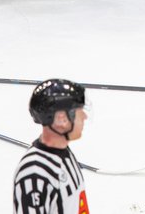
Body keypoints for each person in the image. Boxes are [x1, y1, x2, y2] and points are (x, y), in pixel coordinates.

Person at [13, 79, 89, 214]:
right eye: (79, 112)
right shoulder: (34, 172)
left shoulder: (64, 152)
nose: (85, 117)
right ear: (61, 119)